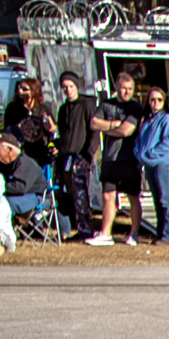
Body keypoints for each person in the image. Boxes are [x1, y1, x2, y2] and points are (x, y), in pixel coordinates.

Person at [85, 71, 146, 245]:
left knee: (133, 196)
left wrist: (108, 128)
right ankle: (105, 233)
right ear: (117, 88)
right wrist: (114, 125)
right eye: (123, 88)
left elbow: (127, 131)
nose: (127, 92)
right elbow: (94, 123)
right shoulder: (106, 104)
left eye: (130, 89)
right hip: (110, 159)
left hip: (128, 159)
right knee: (107, 196)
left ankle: (134, 233)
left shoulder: (135, 107)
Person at [133, 84, 169, 245]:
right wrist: (138, 153)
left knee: (166, 200)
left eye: (159, 100)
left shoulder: (168, 120)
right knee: (157, 200)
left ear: (164, 101)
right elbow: (139, 140)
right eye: (152, 100)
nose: (155, 103)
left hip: (164, 164)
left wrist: (149, 154)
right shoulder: (146, 120)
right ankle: (160, 234)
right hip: (150, 165)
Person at [54, 72, 98, 234]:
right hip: (64, 155)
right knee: (65, 193)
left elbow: (94, 133)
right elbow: (63, 134)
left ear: (76, 87)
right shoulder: (63, 109)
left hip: (80, 156)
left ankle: (85, 227)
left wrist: (88, 154)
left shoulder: (86, 105)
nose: (68, 90)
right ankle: (72, 226)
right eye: (65, 87)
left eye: (71, 86)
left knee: (81, 194)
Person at [0, 132, 47, 226]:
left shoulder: (25, 163)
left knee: (2, 203)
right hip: (15, 195)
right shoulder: (0, 163)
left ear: (10, 150)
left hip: (35, 196)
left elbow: (19, 187)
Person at [3, 77, 57, 169]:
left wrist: (51, 128)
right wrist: (16, 128)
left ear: (34, 91)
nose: (20, 91)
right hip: (21, 150)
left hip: (39, 151)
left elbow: (53, 130)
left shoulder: (42, 109)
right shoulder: (13, 108)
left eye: (24, 89)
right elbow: (6, 129)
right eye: (19, 88)